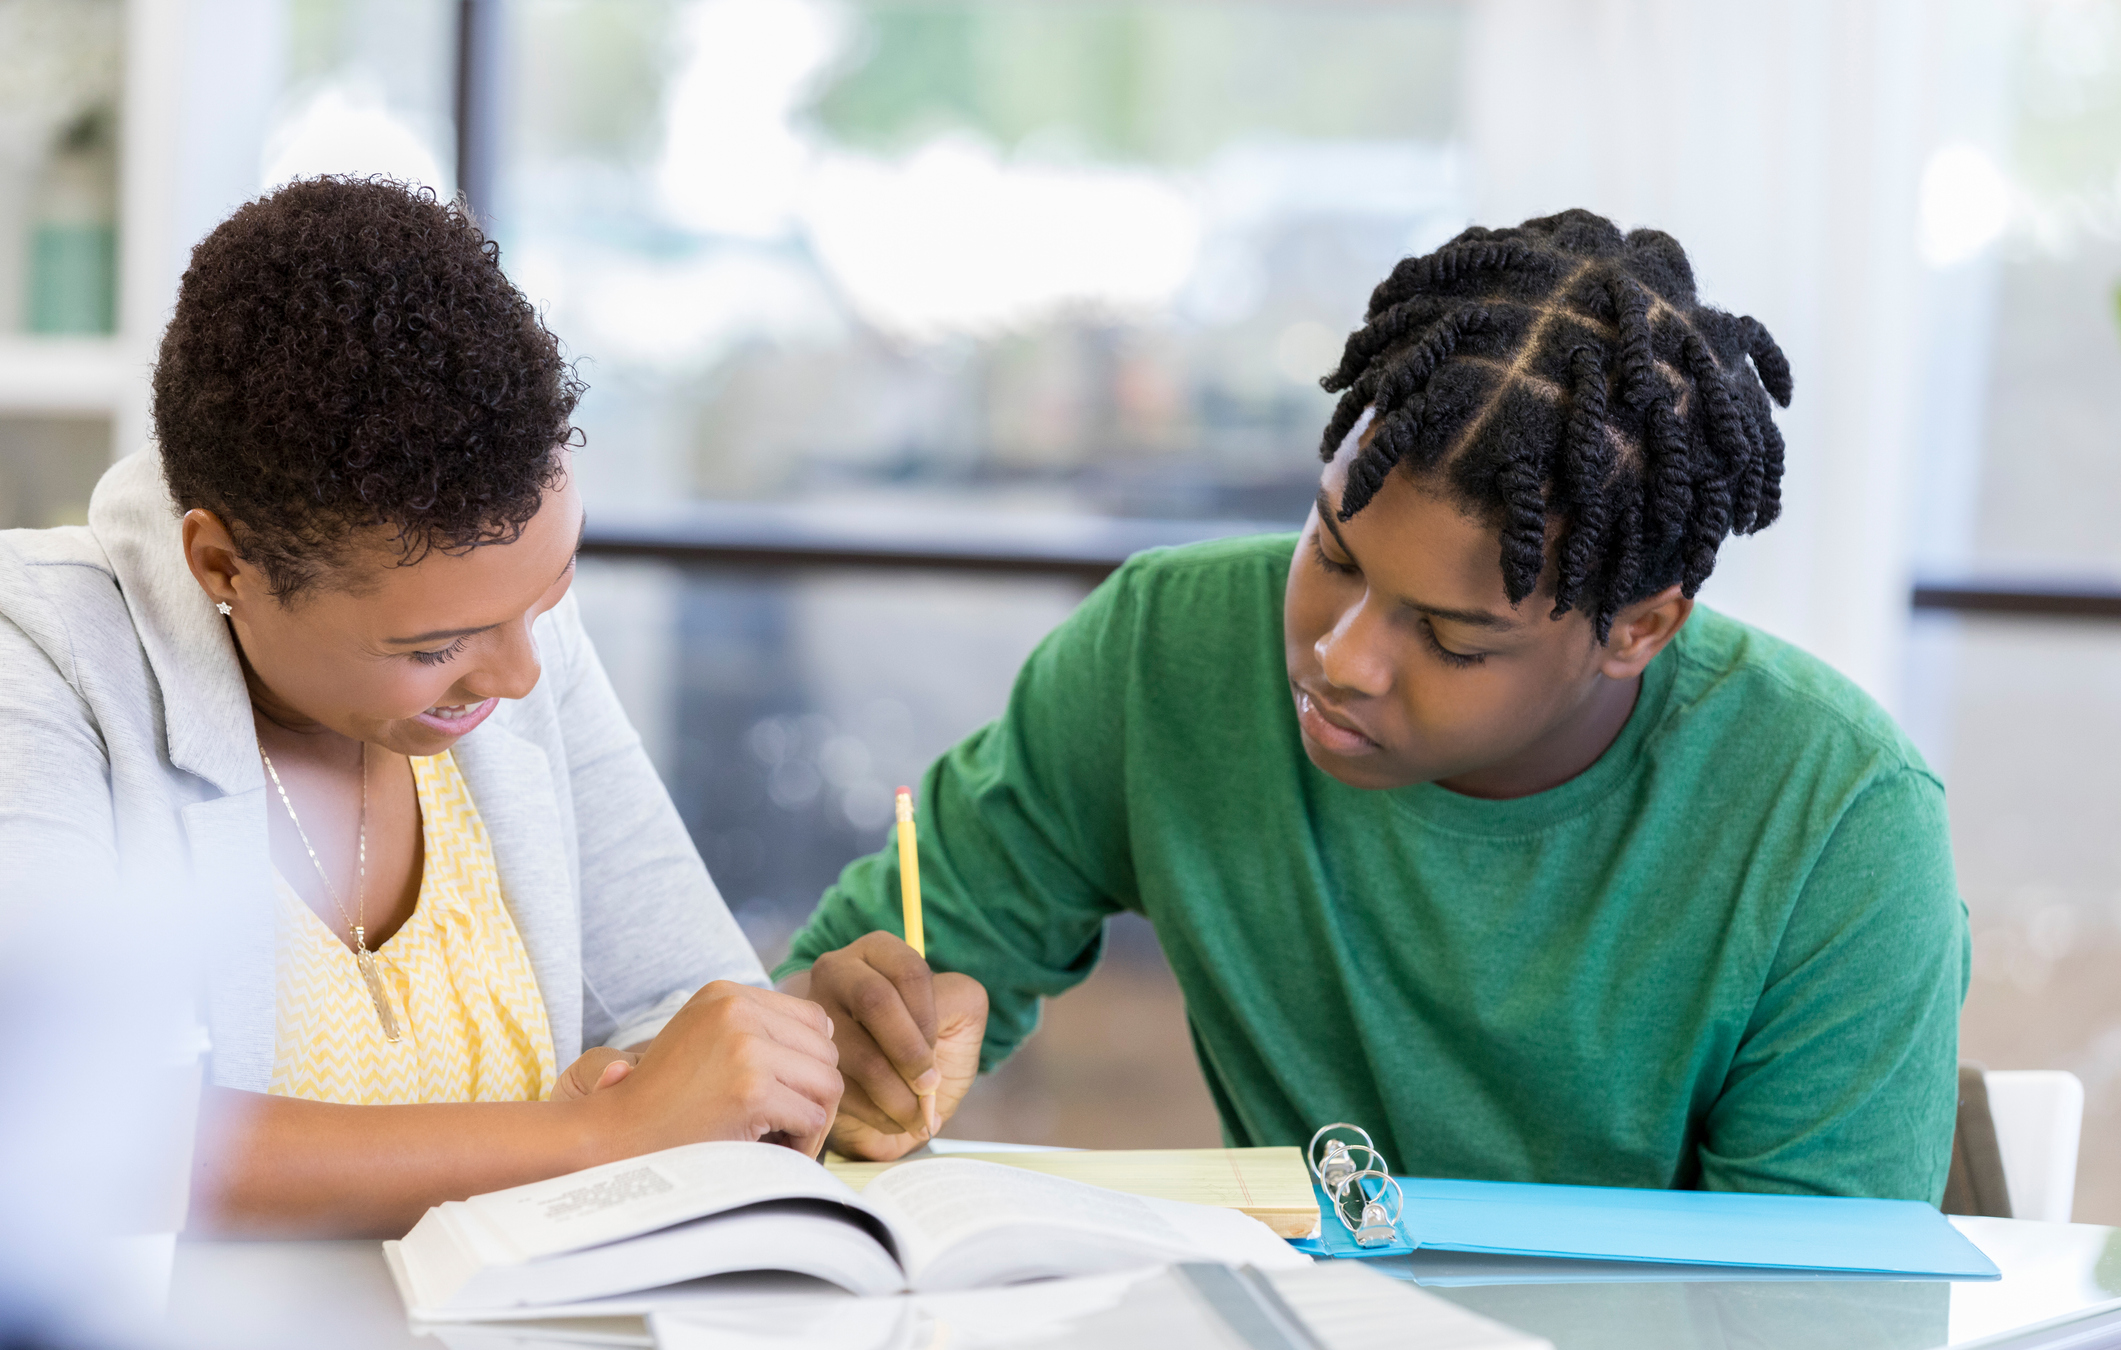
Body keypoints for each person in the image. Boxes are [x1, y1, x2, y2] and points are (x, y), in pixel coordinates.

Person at [781, 211, 1968, 1202]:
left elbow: (1824, 1322)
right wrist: (857, 1048)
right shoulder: (1165, 651)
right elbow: (843, 1018)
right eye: (1334, 555)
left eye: (1452, 636)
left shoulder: (1840, 823)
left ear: (1641, 628)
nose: (1341, 659)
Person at [0, 177, 840, 1237]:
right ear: (223, 563)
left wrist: (776, 1054)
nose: (520, 675)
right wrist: (591, 1139)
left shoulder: (504, 630)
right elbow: (68, 1124)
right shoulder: (39, 662)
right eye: (432, 646)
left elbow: (678, 1009)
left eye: (552, 593)